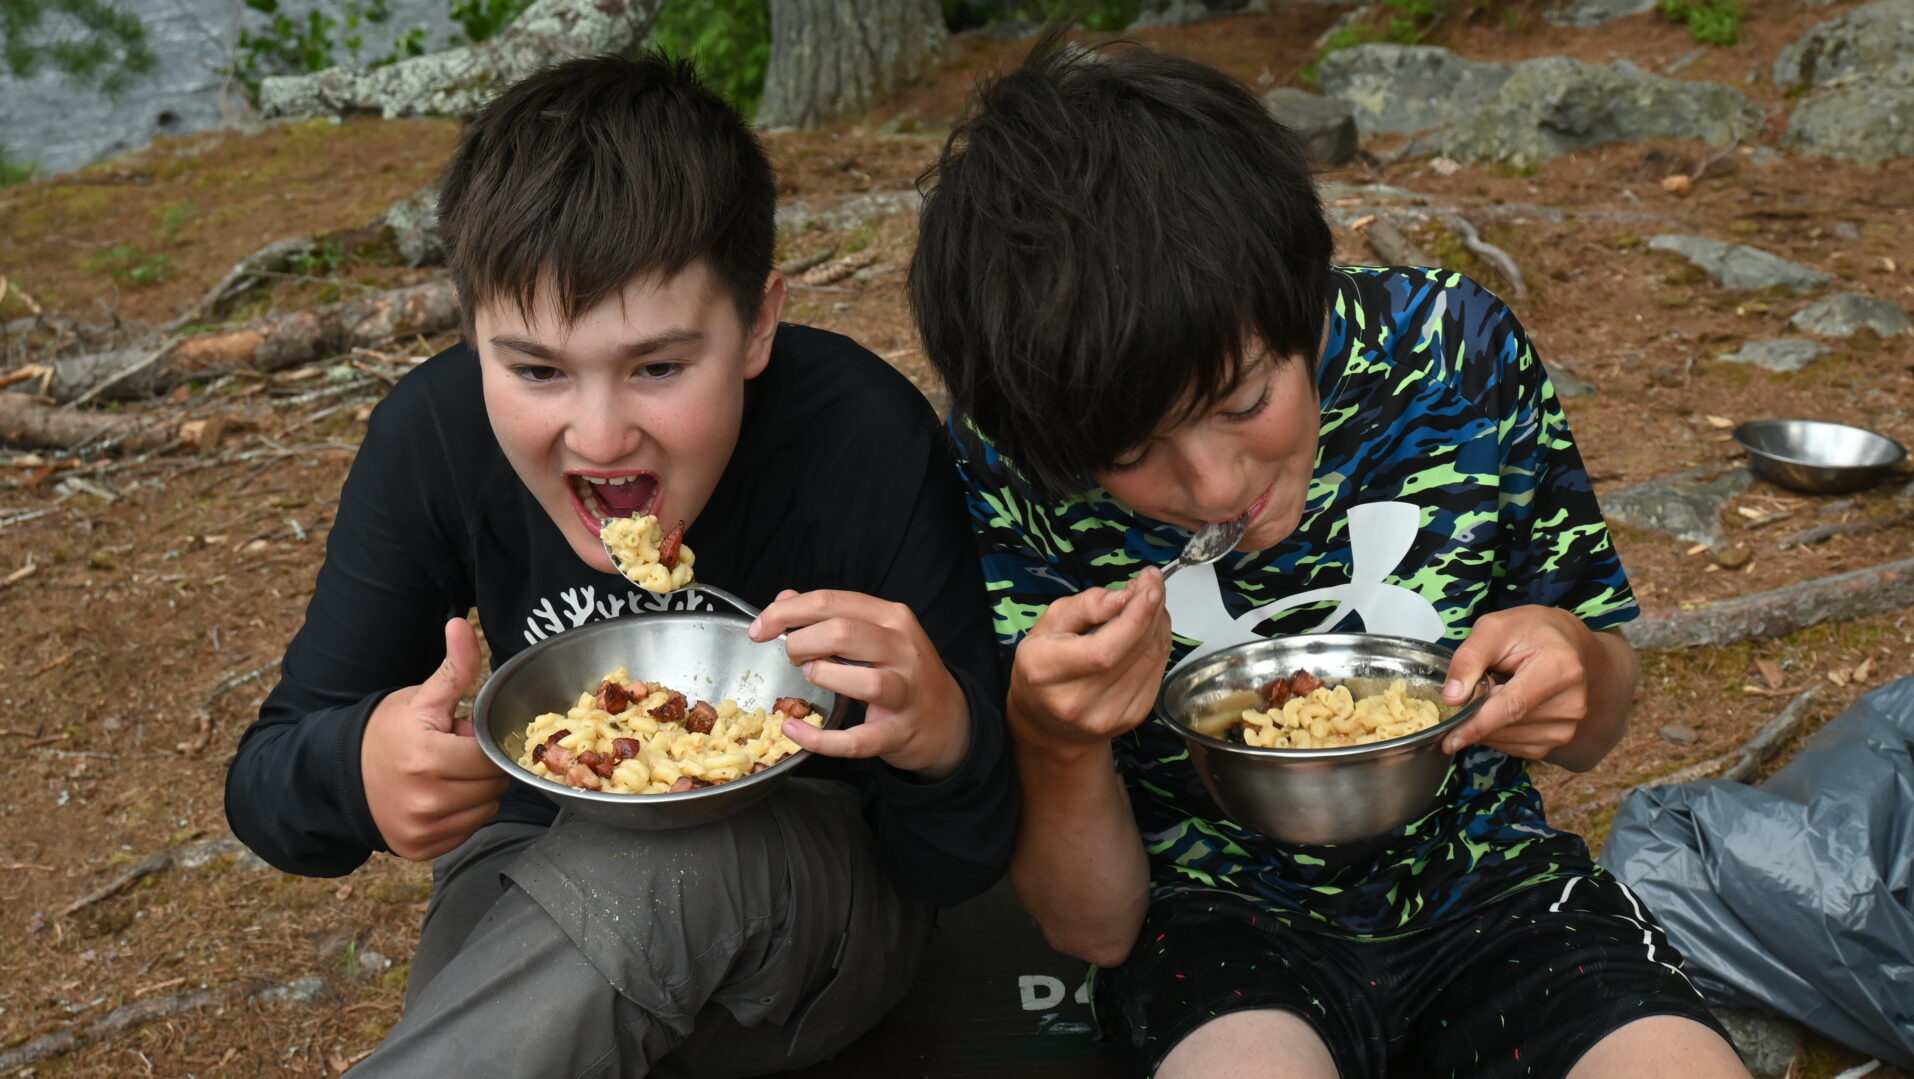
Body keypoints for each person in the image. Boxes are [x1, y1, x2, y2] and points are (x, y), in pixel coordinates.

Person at [907, 38, 1746, 1079]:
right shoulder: (1011, 465)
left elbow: (1593, 726)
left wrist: (1579, 658)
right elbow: (1097, 927)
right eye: (1130, 455)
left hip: (1501, 892)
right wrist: (1055, 736)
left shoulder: (1453, 354)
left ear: (1301, 299)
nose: (1214, 486)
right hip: (1207, 924)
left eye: (1246, 401)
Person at [224, 53, 1016, 1076]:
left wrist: (942, 738)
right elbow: (267, 786)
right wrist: (359, 764)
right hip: (531, 871)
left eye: (657, 367)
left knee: (667, 865)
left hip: (817, 908)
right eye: (537, 370)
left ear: (759, 322)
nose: (599, 437)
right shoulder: (432, 440)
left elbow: (956, 863)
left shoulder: (859, 438)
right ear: (473, 338)